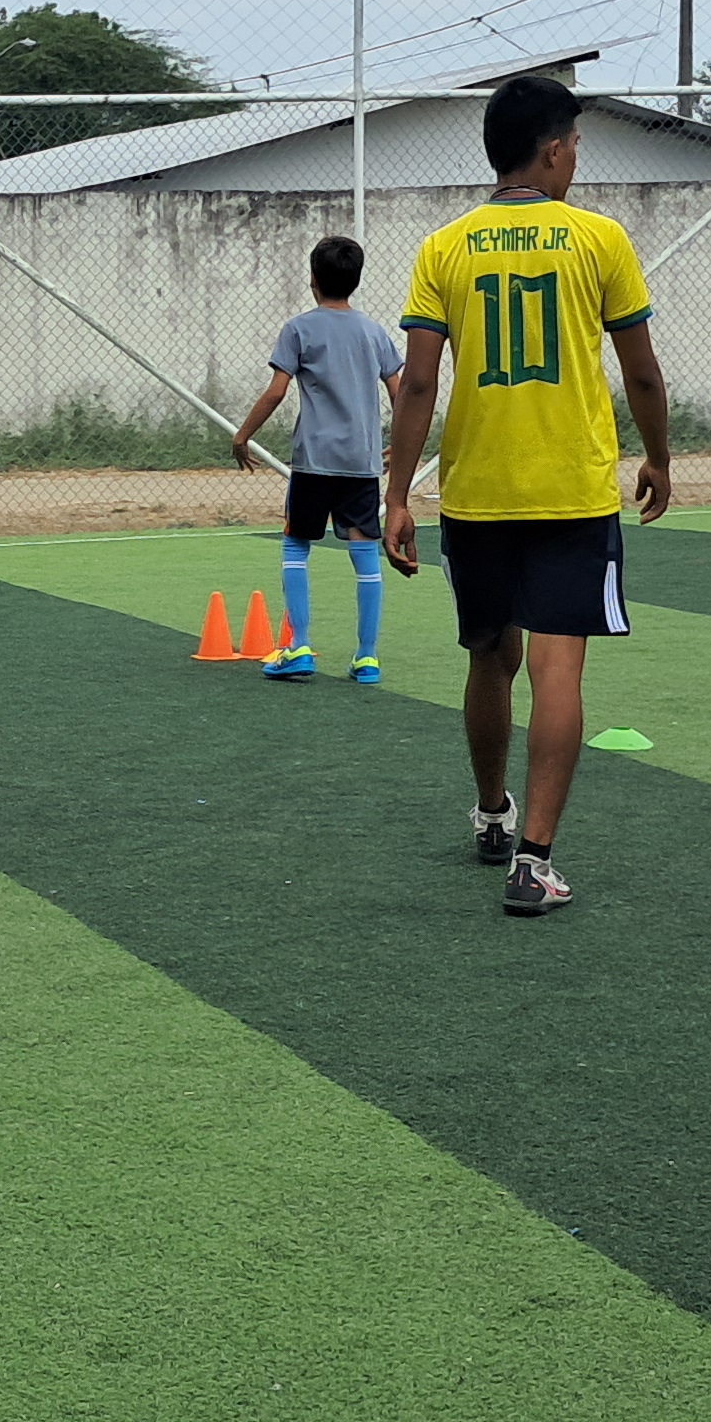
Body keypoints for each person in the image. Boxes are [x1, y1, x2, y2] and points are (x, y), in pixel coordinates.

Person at [380, 72, 673, 916]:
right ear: (551, 150)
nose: (576, 157)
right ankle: (534, 863)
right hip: (572, 490)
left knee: (488, 656)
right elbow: (641, 372)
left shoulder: (444, 247)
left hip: (477, 493)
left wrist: (397, 496)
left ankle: (490, 816)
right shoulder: (600, 239)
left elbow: (419, 384)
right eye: (574, 144)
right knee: (557, 665)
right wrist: (658, 457)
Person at [230, 232, 404, 684]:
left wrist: (243, 435)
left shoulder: (298, 329)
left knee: (296, 545)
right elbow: (400, 392)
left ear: (312, 279)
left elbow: (276, 391)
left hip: (314, 461)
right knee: (364, 552)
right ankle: (367, 657)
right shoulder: (373, 332)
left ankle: (299, 647)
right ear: (356, 280)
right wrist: (403, 443)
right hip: (361, 462)